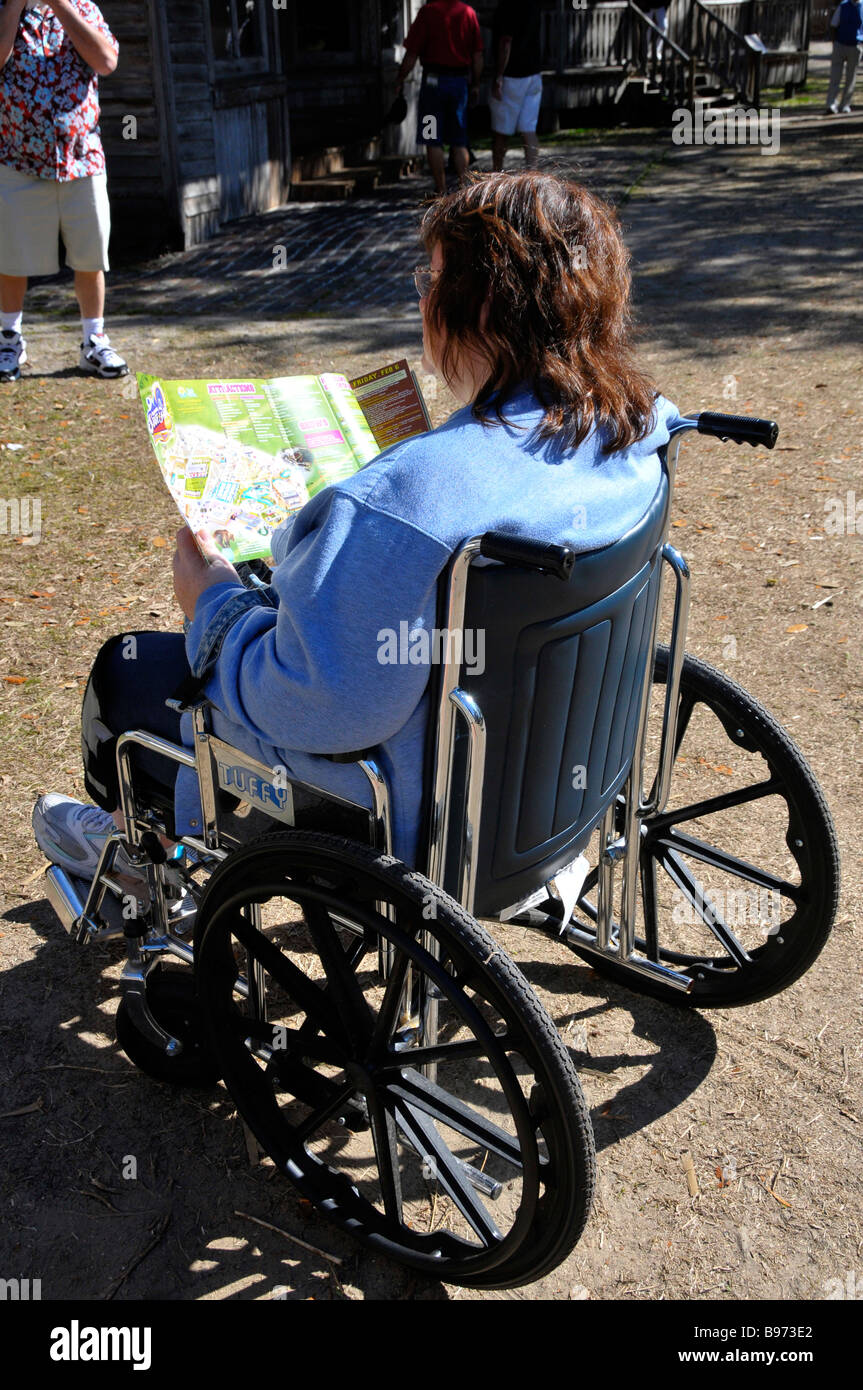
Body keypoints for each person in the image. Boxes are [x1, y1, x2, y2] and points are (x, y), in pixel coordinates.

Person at [33, 171, 682, 893]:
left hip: (408, 811)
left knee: (126, 673)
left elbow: (315, 705)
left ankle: (148, 860)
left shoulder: (408, 496)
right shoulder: (638, 426)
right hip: (545, 772)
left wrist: (211, 604)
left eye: (431, 281)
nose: (423, 300)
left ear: (486, 301)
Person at [0, 0, 128, 384]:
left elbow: (106, 61)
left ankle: (94, 340)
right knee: (11, 258)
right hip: (17, 158)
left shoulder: (83, 6)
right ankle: (9, 339)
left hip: (81, 158)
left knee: (90, 256)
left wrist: (60, 4)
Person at [393, 0, 484, 196]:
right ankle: (462, 191)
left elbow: (412, 53)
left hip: (433, 85)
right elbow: (477, 55)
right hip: (459, 84)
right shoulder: (468, 13)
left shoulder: (428, 12)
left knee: (431, 137)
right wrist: (476, 84)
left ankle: (441, 190)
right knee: (459, 140)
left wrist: (400, 77)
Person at [489, 0, 543, 172]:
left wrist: (498, 76)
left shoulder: (508, 6)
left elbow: (506, 43)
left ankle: (497, 173)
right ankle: (532, 174)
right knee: (529, 130)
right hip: (533, 73)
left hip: (512, 76)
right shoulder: (534, 5)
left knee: (501, 132)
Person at [825, 0, 863, 113]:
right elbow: (833, 25)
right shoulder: (843, 5)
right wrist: (835, 43)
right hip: (840, 44)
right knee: (835, 76)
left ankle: (845, 104)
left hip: (856, 45)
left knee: (851, 77)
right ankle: (831, 103)